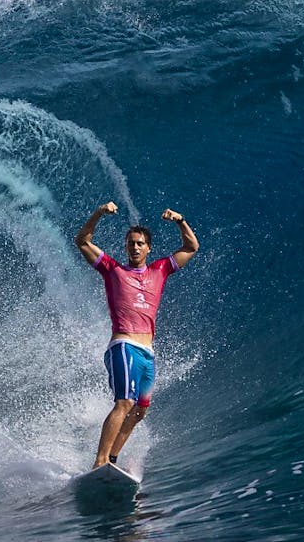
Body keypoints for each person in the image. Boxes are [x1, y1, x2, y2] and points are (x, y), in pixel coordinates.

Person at [75, 201, 199, 469]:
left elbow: (191, 247)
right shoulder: (113, 270)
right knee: (124, 402)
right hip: (124, 346)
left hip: (147, 353)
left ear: (148, 248)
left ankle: (112, 459)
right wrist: (98, 213)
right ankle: (99, 462)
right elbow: (82, 241)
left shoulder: (160, 270)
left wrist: (180, 220)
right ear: (126, 246)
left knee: (140, 410)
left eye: (140, 243)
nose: (134, 247)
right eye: (131, 243)